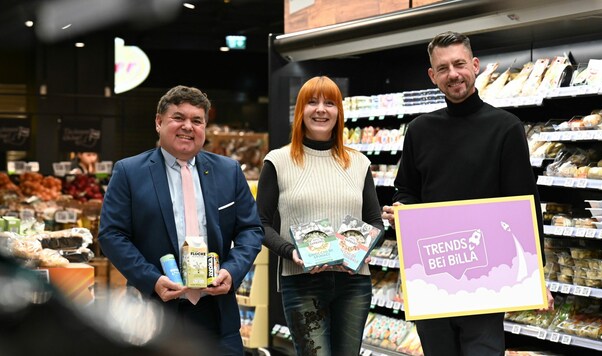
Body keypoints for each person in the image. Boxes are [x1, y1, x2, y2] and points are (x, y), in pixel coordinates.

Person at [381, 31, 553, 356]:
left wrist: (536, 275)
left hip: (487, 277)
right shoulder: (419, 130)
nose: (453, 74)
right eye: (443, 68)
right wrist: (402, 208)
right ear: (433, 76)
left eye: (459, 64)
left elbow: (524, 204)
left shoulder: (505, 127)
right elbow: (406, 189)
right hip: (432, 276)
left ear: (475, 66)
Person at [98, 85, 263, 355]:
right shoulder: (129, 172)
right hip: (153, 313)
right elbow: (112, 234)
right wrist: (151, 280)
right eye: (178, 118)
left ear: (205, 127)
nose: (188, 126)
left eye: (197, 120)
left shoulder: (228, 171)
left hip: (217, 314)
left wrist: (232, 272)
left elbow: (251, 229)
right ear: (159, 122)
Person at [256, 76, 384, 356]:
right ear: (300, 110)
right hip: (301, 281)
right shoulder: (278, 161)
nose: (321, 110)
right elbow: (260, 225)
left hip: (353, 282)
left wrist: (359, 248)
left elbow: (375, 222)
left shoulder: (359, 162)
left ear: (339, 112)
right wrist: (291, 252)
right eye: (312, 102)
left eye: (329, 103)